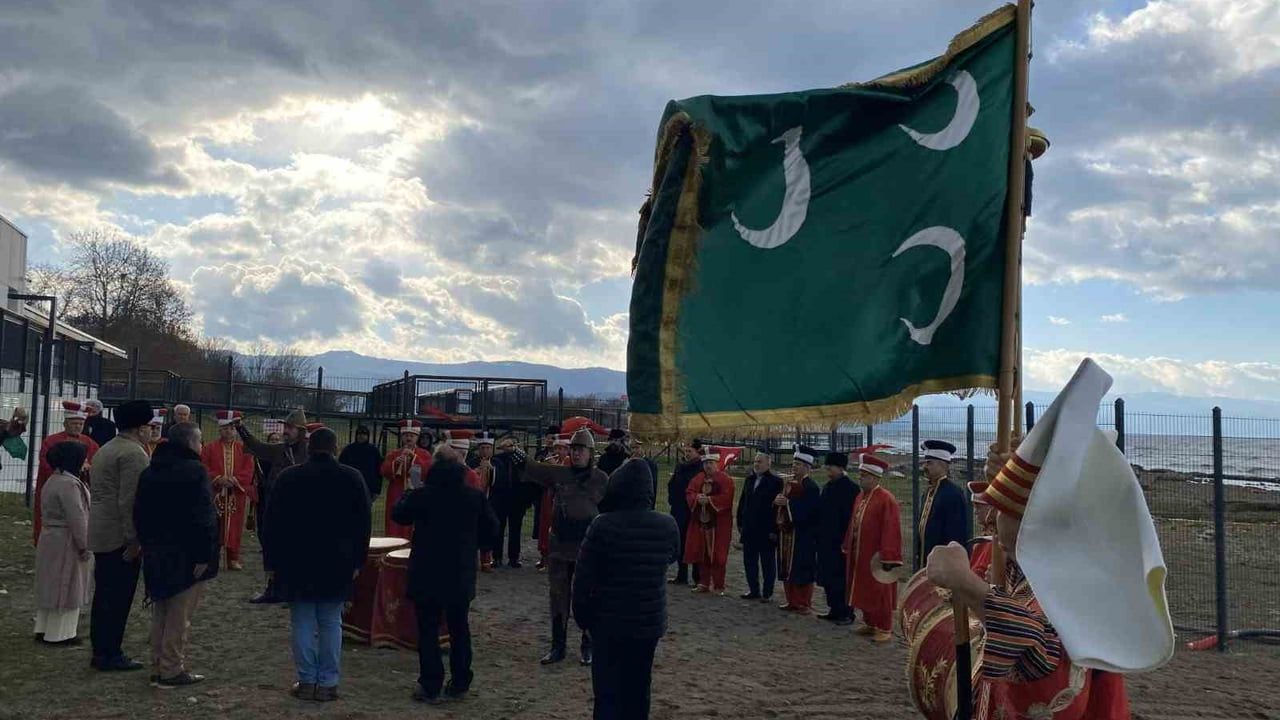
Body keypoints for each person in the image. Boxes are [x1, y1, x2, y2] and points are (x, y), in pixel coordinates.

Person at [927, 443, 1131, 719]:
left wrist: (969, 586)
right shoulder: (1043, 563)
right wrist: (1010, 477)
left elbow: (1041, 652)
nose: (999, 540)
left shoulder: (1078, 585)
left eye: (1014, 547)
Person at [263, 428, 371, 703]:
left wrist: (271, 563)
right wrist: (359, 560)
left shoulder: (289, 477)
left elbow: (272, 524)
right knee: (331, 622)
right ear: (335, 448)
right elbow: (363, 525)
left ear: (309, 448)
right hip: (338, 562)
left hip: (295, 561)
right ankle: (328, 682)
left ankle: (307, 680)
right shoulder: (352, 477)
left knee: (301, 621)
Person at [574, 459, 681, 720]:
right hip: (648, 624)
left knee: (607, 693)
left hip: (608, 623)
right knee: (639, 689)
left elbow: (583, 579)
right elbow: (672, 557)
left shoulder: (603, 525)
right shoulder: (667, 525)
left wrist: (583, 619)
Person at [392, 458, 498, 704]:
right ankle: (460, 681)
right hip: (459, 574)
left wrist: (408, 493)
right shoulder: (474, 498)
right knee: (460, 629)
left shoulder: (423, 496)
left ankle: (430, 684)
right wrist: (475, 544)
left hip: (427, 573)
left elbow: (399, 515)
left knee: (428, 631)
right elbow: (491, 530)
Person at [134, 422, 219, 688]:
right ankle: (172, 669)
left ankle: (158, 664)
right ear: (191, 443)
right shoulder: (195, 471)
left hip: (156, 551)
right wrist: (205, 555)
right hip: (187, 554)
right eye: (200, 440)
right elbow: (204, 517)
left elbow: (139, 512)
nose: (202, 445)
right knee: (180, 616)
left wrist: (147, 543)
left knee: (162, 608)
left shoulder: (150, 471)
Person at [523, 428, 608, 666]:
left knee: (588, 598)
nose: (577, 454)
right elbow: (533, 469)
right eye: (574, 449)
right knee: (558, 597)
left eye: (581, 450)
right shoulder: (558, 474)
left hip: (588, 548)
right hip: (560, 545)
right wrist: (516, 453)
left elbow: (611, 510)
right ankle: (557, 646)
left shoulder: (601, 479)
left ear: (591, 453)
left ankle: (587, 645)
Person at [87, 399, 153, 672]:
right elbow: (130, 500)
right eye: (148, 426)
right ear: (139, 428)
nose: (151, 430)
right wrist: (134, 539)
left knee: (103, 595)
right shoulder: (134, 454)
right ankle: (110, 653)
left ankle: (101, 648)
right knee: (117, 596)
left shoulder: (107, 448)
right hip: (119, 536)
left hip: (101, 530)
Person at [237, 408, 309, 604]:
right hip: (275, 508)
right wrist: (240, 428)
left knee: (296, 552)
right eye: (285, 427)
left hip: (299, 512)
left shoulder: (309, 452)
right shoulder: (280, 449)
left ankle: (295, 590)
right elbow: (257, 447)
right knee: (271, 549)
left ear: (300, 431)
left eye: (290, 428)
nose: (285, 431)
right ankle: (273, 589)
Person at [33, 440, 92, 645]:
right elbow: (77, 517)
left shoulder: (53, 480)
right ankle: (61, 633)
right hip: (66, 540)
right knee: (67, 586)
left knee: (50, 583)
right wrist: (85, 545)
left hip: (50, 537)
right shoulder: (70, 485)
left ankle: (43, 627)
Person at [842, 454, 902, 643]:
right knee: (863, 588)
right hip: (860, 553)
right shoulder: (860, 496)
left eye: (864, 475)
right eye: (860, 474)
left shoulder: (886, 499)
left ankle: (884, 628)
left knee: (879, 591)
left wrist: (888, 555)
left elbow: (891, 528)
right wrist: (846, 544)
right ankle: (869, 623)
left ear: (875, 477)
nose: (860, 478)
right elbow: (853, 522)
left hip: (877, 556)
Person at [34, 401, 100, 544]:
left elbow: (97, 463)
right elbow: (46, 464)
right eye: (74, 423)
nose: (77, 426)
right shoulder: (51, 441)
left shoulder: (90, 443)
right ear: (65, 423)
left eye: (80, 424)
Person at [200, 410, 254, 570]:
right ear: (219, 429)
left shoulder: (244, 448)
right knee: (214, 525)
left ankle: (233, 558)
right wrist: (218, 479)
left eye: (231, 428)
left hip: (236, 494)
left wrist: (234, 480)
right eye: (225, 428)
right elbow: (204, 466)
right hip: (216, 494)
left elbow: (248, 469)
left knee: (235, 527)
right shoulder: (209, 448)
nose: (228, 431)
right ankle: (212, 557)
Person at [776, 446, 821, 614]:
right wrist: (779, 500)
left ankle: (804, 603)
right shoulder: (790, 484)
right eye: (794, 463)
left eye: (799, 464)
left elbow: (808, 511)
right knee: (787, 565)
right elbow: (785, 501)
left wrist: (787, 504)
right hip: (788, 532)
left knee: (802, 567)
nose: (794, 467)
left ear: (807, 467)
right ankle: (791, 600)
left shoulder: (811, 487)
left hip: (804, 534)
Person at [683, 452, 734, 596]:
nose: (708, 466)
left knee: (718, 555)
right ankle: (703, 582)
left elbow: (727, 497)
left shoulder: (725, 479)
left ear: (716, 464)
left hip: (719, 524)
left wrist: (710, 501)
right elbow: (689, 492)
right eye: (706, 463)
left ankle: (719, 585)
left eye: (711, 463)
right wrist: (696, 498)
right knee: (703, 552)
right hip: (702, 522)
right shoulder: (699, 478)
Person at [816, 452, 858, 625]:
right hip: (826, 540)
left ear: (841, 468)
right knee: (828, 577)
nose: (828, 469)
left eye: (830, 466)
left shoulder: (851, 489)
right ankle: (833, 608)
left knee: (841, 577)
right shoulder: (828, 486)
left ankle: (846, 613)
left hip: (841, 541)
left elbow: (851, 517)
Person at [737, 451, 782, 601]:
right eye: (755, 461)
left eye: (760, 462)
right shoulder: (749, 480)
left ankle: (767, 593)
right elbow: (743, 502)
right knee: (749, 561)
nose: (756, 464)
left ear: (768, 464)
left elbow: (777, 509)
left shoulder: (775, 482)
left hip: (766, 529)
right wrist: (740, 522)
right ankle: (753, 589)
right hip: (749, 528)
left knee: (767, 563)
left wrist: (774, 530)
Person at [479, 433, 528, 569]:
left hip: (517, 500)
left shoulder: (522, 460)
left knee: (515, 530)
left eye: (513, 445)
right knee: (498, 529)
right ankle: (497, 557)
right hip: (500, 500)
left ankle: (514, 558)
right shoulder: (497, 459)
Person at [916, 439, 967, 567]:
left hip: (943, 564)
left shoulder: (953, 494)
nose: (924, 467)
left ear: (942, 464)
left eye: (929, 463)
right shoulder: (928, 492)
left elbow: (956, 535)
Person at [381, 419, 433, 541]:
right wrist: (395, 464)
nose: (408, 438)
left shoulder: (424, 454)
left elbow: (428, 471)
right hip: (396, 493)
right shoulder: (393, 454)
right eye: (406, 435)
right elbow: (384, 470)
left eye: (412, 436)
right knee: (395, 524)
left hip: (416, 492)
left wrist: (414, 458)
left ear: (417, 437)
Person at [666, 440, 704, 586]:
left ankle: (697, 577)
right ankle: (681, 575)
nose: (687, 454)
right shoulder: (681, 466)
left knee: (694, 542)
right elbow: (673, 483)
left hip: (692, 509)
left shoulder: (700, 468)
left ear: (697, 452)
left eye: (690, 451)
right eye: (686, 451)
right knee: (680, 541)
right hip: (678, 508)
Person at [338, 426, 384, 499]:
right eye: (359, 434)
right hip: (350, 486)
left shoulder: (374, 451)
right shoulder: (348, 450)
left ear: (367, 436)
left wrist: (377, 490)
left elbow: (379, 471)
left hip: (368, 487)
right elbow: (340, 468)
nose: (361, 436)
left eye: (364, 434)